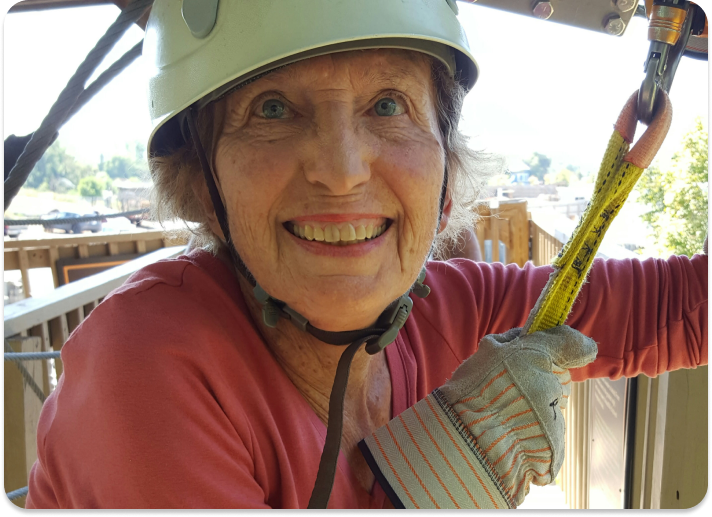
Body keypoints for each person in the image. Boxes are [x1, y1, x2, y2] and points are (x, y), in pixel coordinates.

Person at [26, 0, 707, 510]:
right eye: (271, 109)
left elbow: (681, 307)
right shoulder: (144, 362)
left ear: (443, 182)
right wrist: (451, 464)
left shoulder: (446, 308)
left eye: (388, 104)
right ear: (205, 187)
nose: (342, 169)